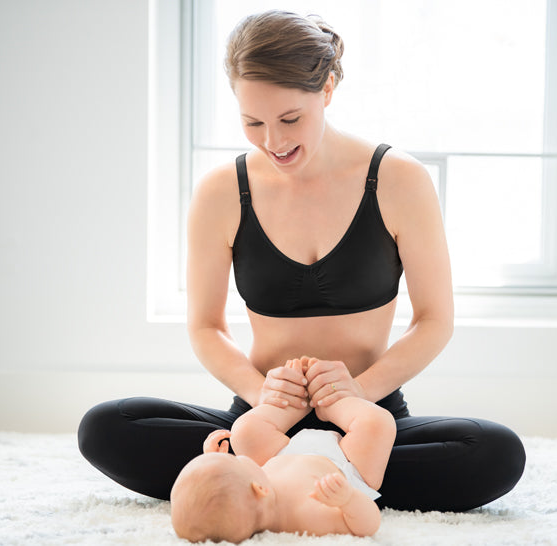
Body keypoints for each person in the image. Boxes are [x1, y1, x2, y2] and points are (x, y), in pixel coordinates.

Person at [78, 9, 525, 512]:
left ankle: (268, 484)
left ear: (327, 89)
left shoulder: (400, 179)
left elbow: (434, 321)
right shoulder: (221, 192)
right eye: (253, 122)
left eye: (290, 119)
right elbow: (205, 326)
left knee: (496, 452)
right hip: (260, 422)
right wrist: (263, 394)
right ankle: (338, 486)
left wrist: (356, 391)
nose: (273, 141)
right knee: (106, 426)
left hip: (367, 424)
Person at [170, 357, 396, 542]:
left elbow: (230, 478)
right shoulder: (307, 516)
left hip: (283, 452)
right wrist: (347, 500)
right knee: (377, 424)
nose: (235, 458)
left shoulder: (254, 485)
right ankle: (330, 402)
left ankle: (294, 398)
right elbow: (368, 525)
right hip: (343, 461)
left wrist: (213, 460)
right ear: (260, 488)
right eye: (235, 461)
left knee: (244, 430)